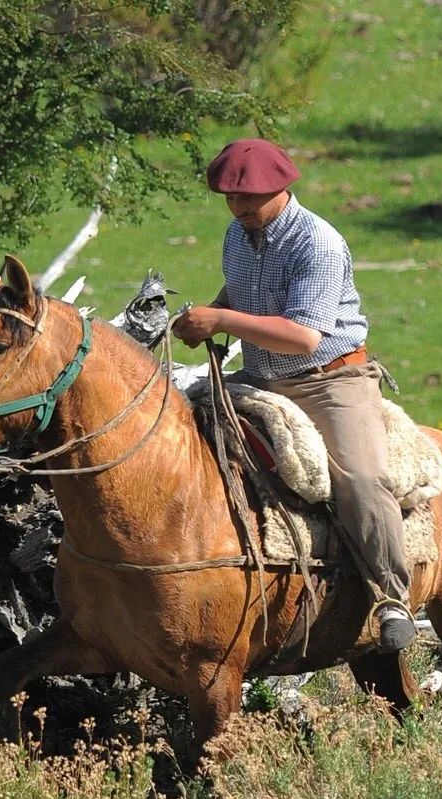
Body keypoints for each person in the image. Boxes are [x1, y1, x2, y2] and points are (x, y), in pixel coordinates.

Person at [172, 137, 416, 653]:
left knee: (360, 477)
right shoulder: (238, 236)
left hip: (329, 382)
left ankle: (391, 595)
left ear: (280, 188)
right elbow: (242, 294)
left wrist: (221, 319)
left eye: (249, 198)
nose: (239, 208)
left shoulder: (317, 243)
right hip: (262, 376)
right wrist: (207, 317)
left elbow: (304, 336)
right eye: (230, 198)